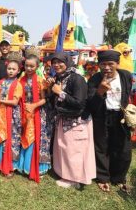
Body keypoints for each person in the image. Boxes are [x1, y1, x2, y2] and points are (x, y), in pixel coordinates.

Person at [47, 52, 96, 188]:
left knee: (74, 150)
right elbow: (56, 99)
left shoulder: (77, 79)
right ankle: (66, 174)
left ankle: (74, 179)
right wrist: (51, 89)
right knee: (65, 148)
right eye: (54, 63)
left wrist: (60, 92)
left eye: (59, 62)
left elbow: (80, 103)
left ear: (68, 62)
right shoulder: (59, 77)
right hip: (65, 118)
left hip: (76, 121)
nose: (56, 65)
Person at [87, 50, 133, 194]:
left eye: (110, 64)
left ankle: (118, 177)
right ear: (99, 65)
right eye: (103, 64)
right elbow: (90, 105)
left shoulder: (125, 75)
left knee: (123, 148)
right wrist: (100, 91)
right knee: (101, 147)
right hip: (101, 116)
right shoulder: (94, 80)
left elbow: (127, 94)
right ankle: (103, 178)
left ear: (117, 64)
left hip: (121, 116)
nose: (106, 67)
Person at [0, 53, 23, 178]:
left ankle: (8, 165)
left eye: (14, 69)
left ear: (18, 71)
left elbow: (14, 102)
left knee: (9, 140)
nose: (11, 71)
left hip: (11, 116)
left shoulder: (18, 85)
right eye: (9, 68)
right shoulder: (0, 82)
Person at [16, 54, 48, 182]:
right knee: (23, 137)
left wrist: (34, 105)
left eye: (32, 66)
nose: (29, 68)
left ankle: (32, 166)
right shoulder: (21, 80)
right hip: (22, 112)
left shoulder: (40, 80)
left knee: (32, 138)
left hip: (36, 114)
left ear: (37, 66)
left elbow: (44, 99)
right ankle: (23, 165)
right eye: (27, 66)